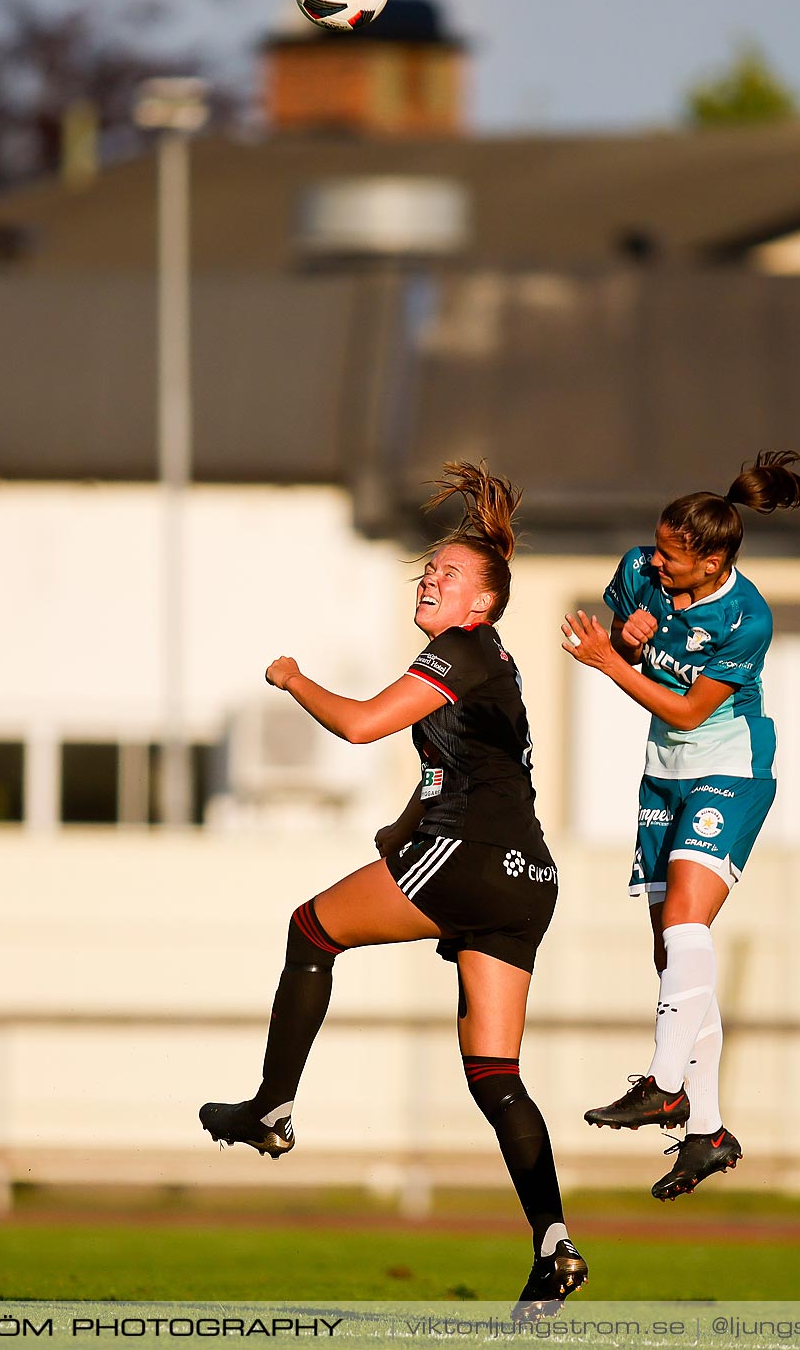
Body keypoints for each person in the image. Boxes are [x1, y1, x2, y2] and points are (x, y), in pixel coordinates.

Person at [198, 461, 586, 1321]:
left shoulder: (456, 649)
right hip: (528, 878)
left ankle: (271, 1106)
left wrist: (294, 678)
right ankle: (553, 1239)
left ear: (480, 604)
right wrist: (408, 824)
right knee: (495, 1072)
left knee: (311, 928)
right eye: (428, 569)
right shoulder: (491, 663)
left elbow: (365, 722)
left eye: (448, 575)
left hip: (473, 857)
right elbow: (469, 764)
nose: (431, 578)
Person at [561, 450, 800, 1202]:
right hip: (662, 774)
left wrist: (610, 661)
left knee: (687, 925)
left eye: (672, 557)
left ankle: (666, 1085)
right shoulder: (640, 569)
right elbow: (632, 632)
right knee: (672, 954)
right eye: (658, 550)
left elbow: (688, 708)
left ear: (714, 558)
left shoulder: (747, 616)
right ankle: (707, 1131)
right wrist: (627, 635)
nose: (657, 565)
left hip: (728, 766)